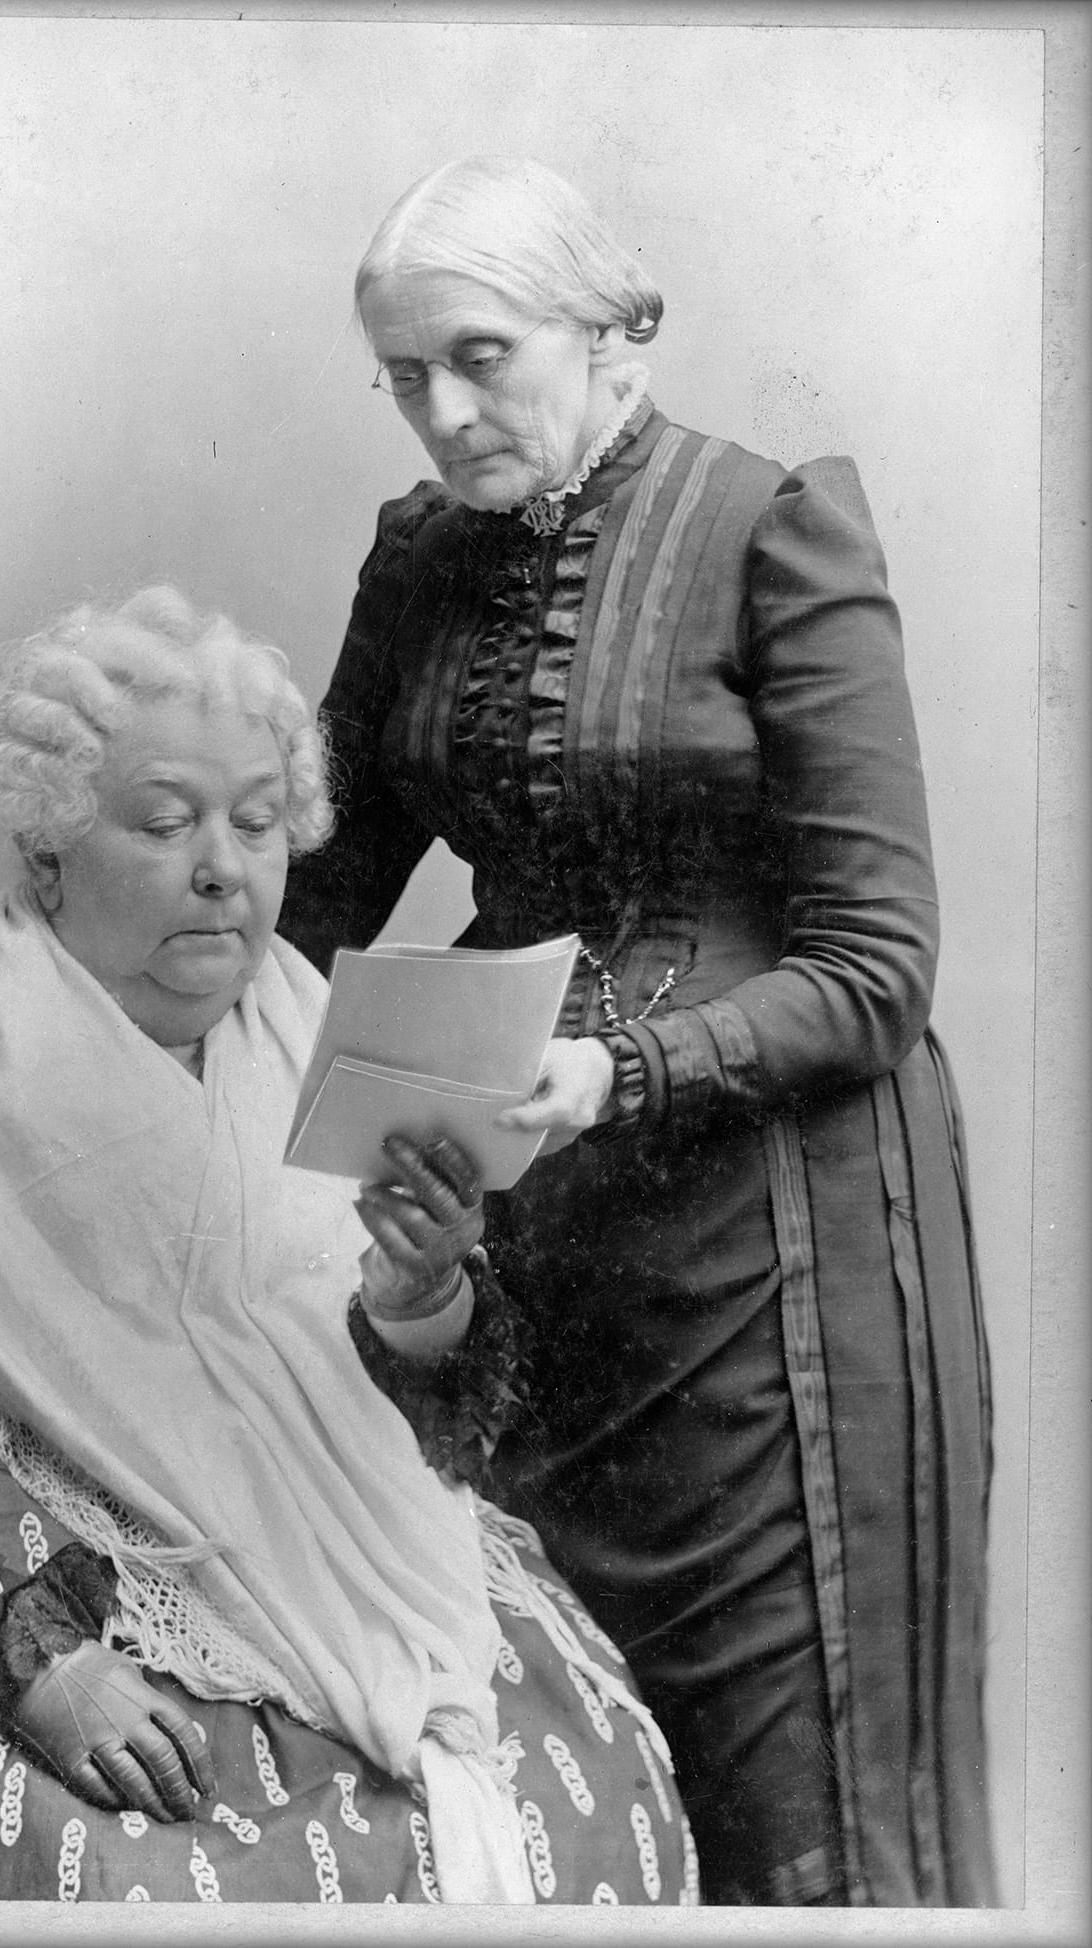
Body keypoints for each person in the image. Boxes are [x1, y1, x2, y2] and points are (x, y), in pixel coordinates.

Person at [280, 155, 996, 1906]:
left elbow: (877, 964)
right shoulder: (420, 561)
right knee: (573, 1811)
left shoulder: (773, 529)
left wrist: (622, 1069)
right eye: (402, 374)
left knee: (797, 1833)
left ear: (621, 336)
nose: (442, 414)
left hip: (781, 1269)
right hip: (535, 1253)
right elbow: (318, 894)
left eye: (482, 355)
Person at [0, 583, 696, 1905]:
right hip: (44, 1571)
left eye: (259, 825)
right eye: (163, 823)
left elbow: (419, 1399)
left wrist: (422, 1290)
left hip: (353, 1543)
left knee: (595, 1795)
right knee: (137, 1874)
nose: (224, 867)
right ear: (46, 853)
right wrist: (48, 1660)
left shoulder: (308, 1025)